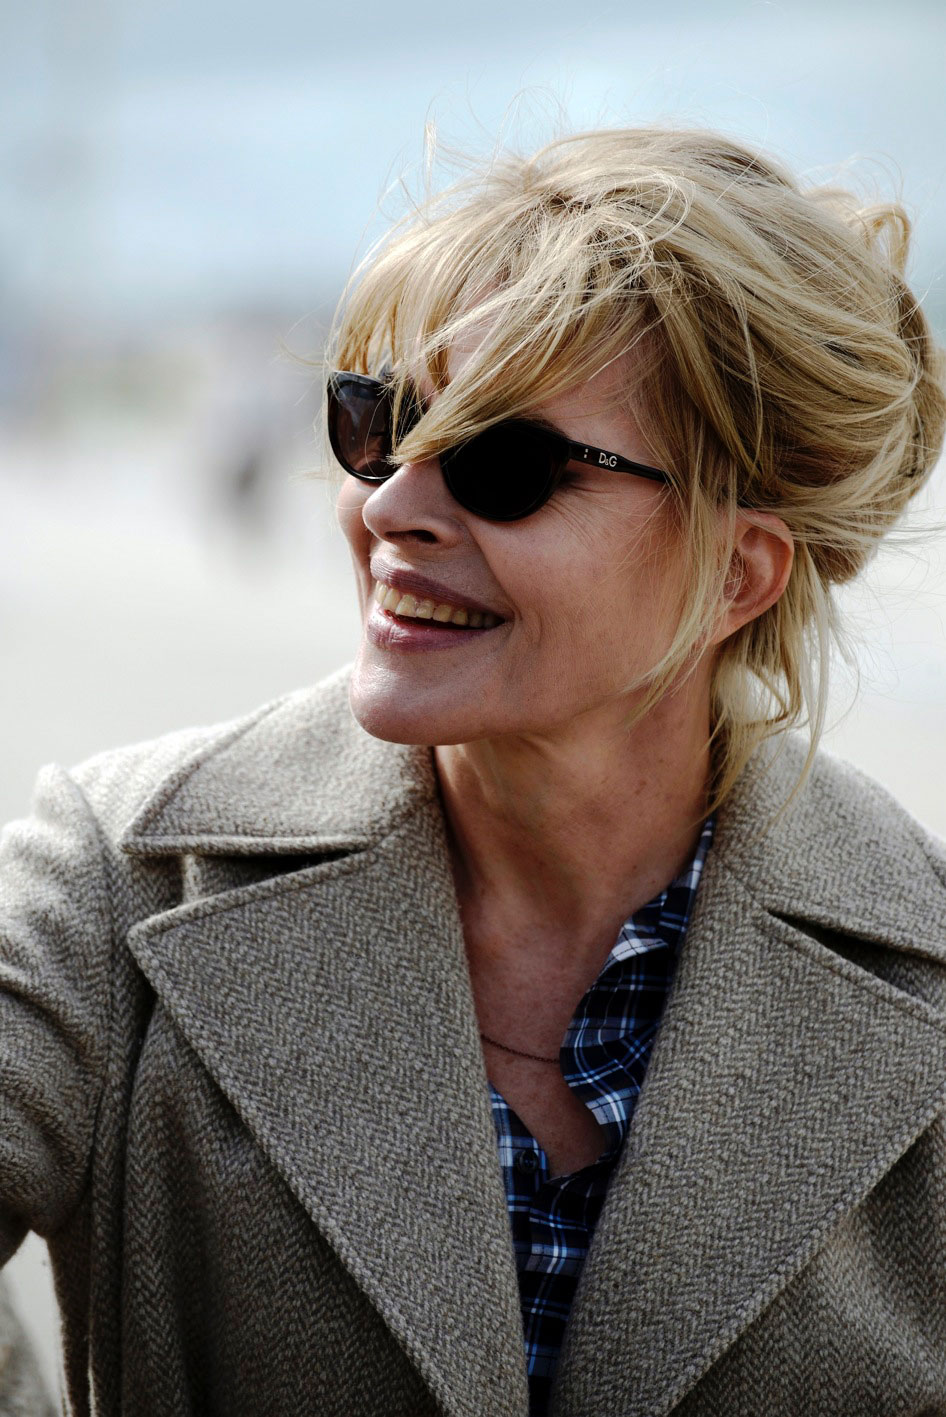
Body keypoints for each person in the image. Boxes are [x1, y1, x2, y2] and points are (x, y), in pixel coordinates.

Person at [1, 125, 944, 1417]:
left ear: (736, 573)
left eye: (503, 464)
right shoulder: (119, 876)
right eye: (378, 425)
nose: (391, 507)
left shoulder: (922, 973)